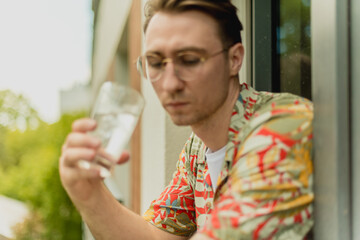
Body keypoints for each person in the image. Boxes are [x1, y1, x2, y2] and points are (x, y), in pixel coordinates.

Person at [59, 0, 314, 239]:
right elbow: (155, 235)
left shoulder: (283, 130)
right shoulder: (197, 148)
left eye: (190, 60)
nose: (169, 84)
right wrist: (90, 196)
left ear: (234, 59)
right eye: (156, 63)